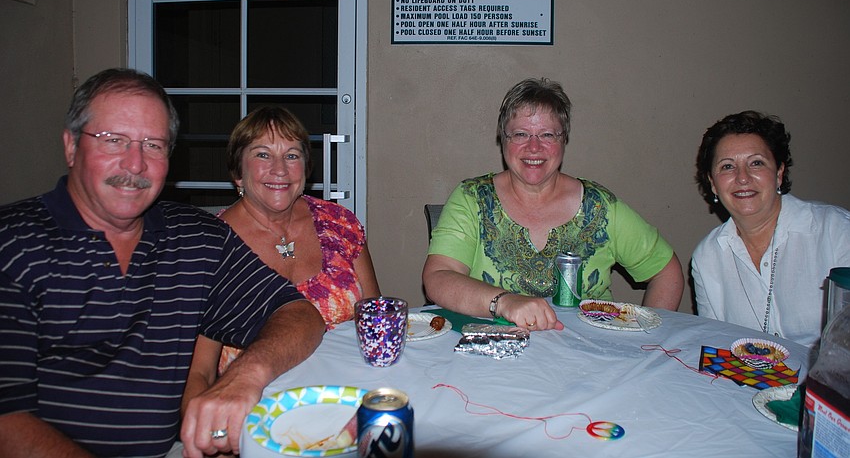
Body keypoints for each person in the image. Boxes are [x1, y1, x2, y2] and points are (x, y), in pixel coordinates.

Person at [0, 69, 325, 458]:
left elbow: (298, 314)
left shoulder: (196, 238)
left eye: (153, 145)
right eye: (114, 140)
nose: (135, 164)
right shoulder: (12, 244)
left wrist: (244, 378)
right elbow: (7, 419)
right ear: (71, 147)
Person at [422, 78, 684, 331]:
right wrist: (503, 301)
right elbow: (439, 276)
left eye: (547, 134)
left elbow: (667, 272)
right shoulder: (472, 198)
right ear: (503, 139)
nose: (534, 147)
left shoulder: (600, 207)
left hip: (590, 363)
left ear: (564, 140)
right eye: (521, 134)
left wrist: (648, 336)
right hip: (493, 359)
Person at [182, 106, 380, 406]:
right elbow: (199, 374)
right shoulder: (210, 247)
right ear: (238, 172)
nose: (280, 169)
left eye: (292, 155)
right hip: (256, 414)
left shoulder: (340, 224)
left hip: (348, 397)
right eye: (262, 154)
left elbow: (375, 320)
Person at [692, 110, 850, 348]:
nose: (742, 177)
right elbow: (717, 346)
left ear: (778, 173)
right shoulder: (707, 258)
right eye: (727, 166)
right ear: (713, 184)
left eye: (756, 163)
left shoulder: (836, 231)